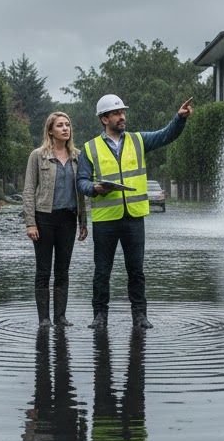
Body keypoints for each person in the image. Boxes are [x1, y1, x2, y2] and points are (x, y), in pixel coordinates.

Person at [76, 94, 193, 330]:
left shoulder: (138, 140)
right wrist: (94, 188)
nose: (122, 117)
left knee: (136, 270)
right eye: (117, 113)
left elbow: (165, 135)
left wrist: (179, 119)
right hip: (105, 220)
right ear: (104, 119)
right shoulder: (89, 148)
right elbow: (81, 182)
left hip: (134, 218)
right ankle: (100, 316)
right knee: (102, 272)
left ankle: (140, 316)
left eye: (123, 112)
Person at [23, 111, 88, 327]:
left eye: (67, 125)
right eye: (60, 125)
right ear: (50, 130)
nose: (65, 128)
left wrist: (83, 222)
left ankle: (60, 316)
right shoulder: (38, 155)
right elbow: (29, 190)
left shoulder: (78, 156)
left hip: (68, 219)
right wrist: (30, 222)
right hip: (44, 218)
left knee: (63, 270)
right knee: (43, 270)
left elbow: (81, 192)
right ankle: (44, 319)